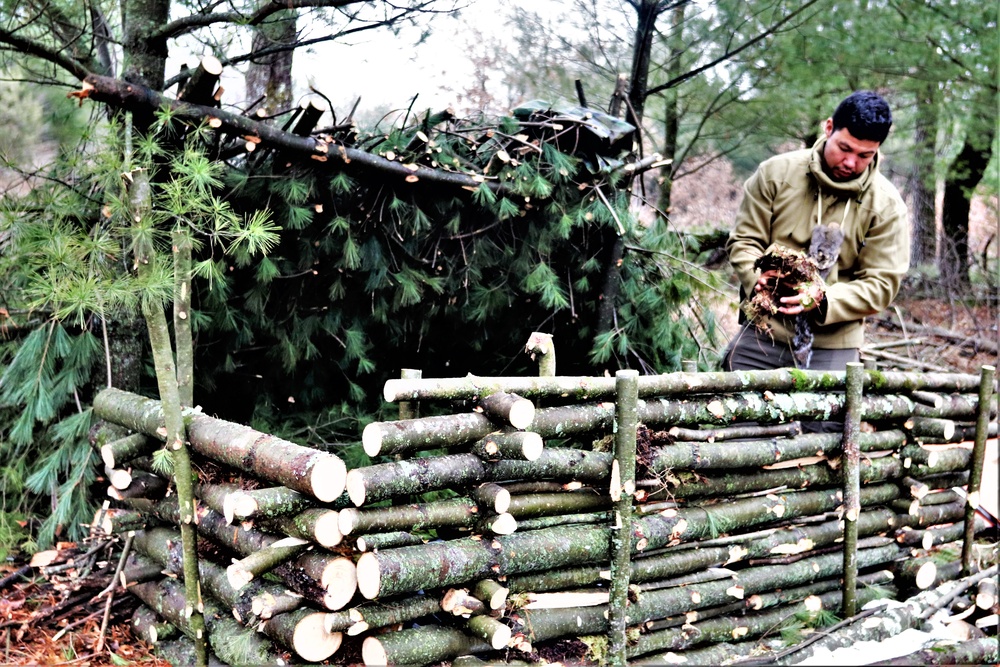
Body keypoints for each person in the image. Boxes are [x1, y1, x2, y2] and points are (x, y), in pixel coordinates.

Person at [723, 90, 909, 378]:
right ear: (829, 127)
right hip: (764, 330)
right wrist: (756, 277)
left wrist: (824, 300)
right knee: (733, 411)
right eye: (844, 148)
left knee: (826, 422)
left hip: (834, 342)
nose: (851, 162)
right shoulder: (775, 174)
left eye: (865, 155)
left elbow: (882, 283)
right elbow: (745, 240)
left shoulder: (887, 206)